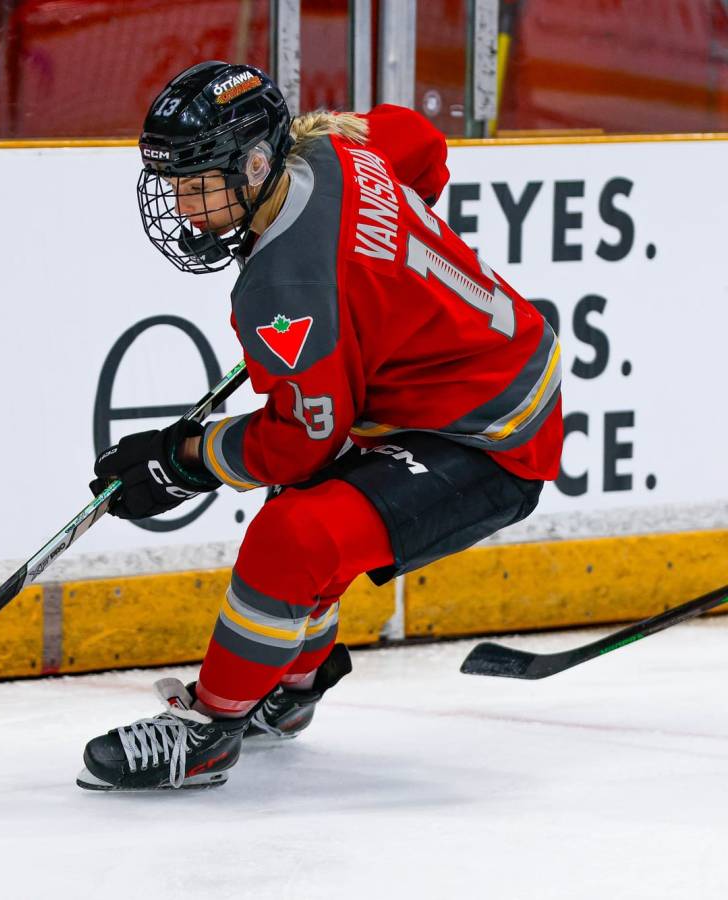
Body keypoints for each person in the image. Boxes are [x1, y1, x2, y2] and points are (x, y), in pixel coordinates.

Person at [78, 61, 562, 792]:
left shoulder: (287, 286)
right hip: (471, 383)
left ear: (256, 162)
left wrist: (179, 461)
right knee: (312, 520)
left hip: (491, 436)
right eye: (173, 182)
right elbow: (422, 144)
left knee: (292, 533)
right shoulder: (333, 149)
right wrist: (376, 283)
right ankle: (294, 690)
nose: (181, 204)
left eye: (197, 181)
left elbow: (299, 442)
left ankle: (209, 733)